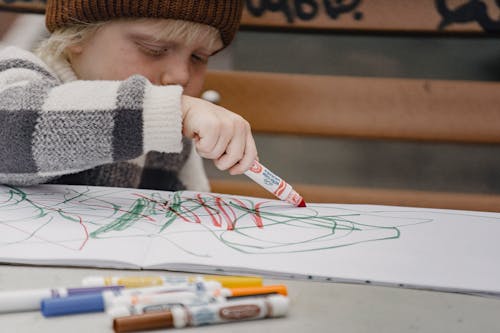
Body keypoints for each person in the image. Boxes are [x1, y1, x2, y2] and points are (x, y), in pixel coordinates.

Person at [0, 0, 256, 192]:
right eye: (153, 49)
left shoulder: (170, 133)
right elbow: (11, 134)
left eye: (199, 58)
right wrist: (162, 111)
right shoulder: (18, 77)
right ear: (78, 31)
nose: (181, 76)